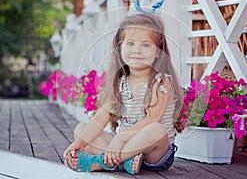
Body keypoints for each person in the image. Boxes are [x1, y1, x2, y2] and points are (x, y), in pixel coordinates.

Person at [63, 13, 183, 175]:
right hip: (126, 149)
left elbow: (152, 119)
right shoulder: (120, 83)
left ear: (158, 52)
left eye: (146, 45)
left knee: (157, 130)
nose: (137, 50)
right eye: (130, 43)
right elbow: (100, 117)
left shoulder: (160, 81)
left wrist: (119, 138)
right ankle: (123, 162)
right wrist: (78, 143)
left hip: (154, 154)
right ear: (120, 48)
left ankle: (100, 162)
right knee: (81, 129)